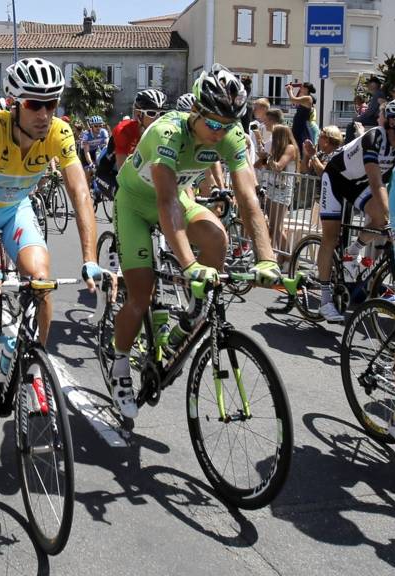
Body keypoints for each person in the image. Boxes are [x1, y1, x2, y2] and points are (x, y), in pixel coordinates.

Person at [109, 64, 281, 418]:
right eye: (214, 123)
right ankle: (120, 364)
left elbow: (249, 197)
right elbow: (166, 201)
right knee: (140, 297)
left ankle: (194, 314)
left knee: (216, 236)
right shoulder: (167, 132)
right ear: (196, 112)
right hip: (136, 205)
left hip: (178, 199)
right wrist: (189, 266)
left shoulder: (230, 134)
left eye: (228, 124)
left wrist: (267, 259)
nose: (220, 132)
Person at [0, 58, 99, 412]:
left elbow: (80, 193)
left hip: (16, 208)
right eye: (34, 104)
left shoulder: (60, 133)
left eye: (52, 104)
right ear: (15, 103)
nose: (44, 114)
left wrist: (91, 259)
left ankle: (33, 368)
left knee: (41, 282)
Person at [315, 100, 395, 323]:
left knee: (379, 219)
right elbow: (375, 180)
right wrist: (391, 221)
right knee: (330, 237)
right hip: (335, 178)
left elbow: (386, 184)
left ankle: (351, 253)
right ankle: (324, 300)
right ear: (392, 123)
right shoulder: (375, 138)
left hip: (358, 184)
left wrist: (387, 219)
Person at [93, 89, 166, 196]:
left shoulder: (163, 132)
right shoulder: (124, 130)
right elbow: (123, 172)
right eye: (152, 113)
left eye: (162, 113)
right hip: (108, 172)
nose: (158, 118)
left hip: (138, 170)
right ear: (138, 114)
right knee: (125, 194)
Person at [264, 124, 299, 253]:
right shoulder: (277, 149)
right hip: (273, 188)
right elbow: (270, 167)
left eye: (274, 135)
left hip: (282, 190)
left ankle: (289, 258)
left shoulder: (290, 148)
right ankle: (282, 256)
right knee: (274, 227)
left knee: (277, 227)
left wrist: (268, 158)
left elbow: (278, 167)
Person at [286, 81, 316, 164]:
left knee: (301, 147)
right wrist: (289, 91)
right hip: (298, 125)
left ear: (306, 88)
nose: (300, 88)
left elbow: (293, 99)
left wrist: (290, 90)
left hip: (302, 126)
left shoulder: (308, 98)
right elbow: (293, 102)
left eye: (302, 87)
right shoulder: (304, 97)